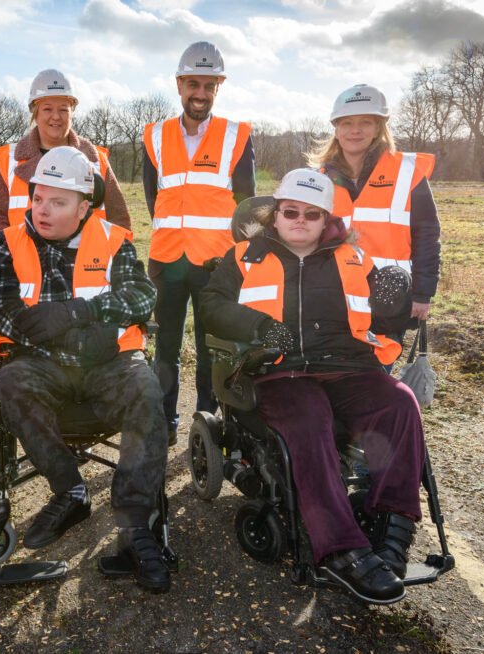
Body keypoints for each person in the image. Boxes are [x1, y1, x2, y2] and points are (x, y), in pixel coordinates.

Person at [199, 169, 424, 605]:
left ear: (326, 221)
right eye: (290, 212)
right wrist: (261, 326)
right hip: (280, 371)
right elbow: (211, 305)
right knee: (308, 413)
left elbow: (385, 319)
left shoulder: (355, 259)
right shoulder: (244, 256)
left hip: (347, 367)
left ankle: (391, 534)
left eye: (311, 214)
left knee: (400, 403)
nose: (299, 220)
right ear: (276, 215)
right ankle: (341, 549)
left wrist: (397, 308)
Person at [0, 146, 171, 592]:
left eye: (57, 202)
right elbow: (3, 310)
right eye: (38, 198)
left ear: (84, 207)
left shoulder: (114, 240)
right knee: (12, 380)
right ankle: (71, 492)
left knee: (147, 389)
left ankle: (135, 526)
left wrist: (76, 312)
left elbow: (143, 298)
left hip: (109, 364)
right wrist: (77, 331)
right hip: (40, 366)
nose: (42, 210)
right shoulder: (5, 245)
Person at [142, 41, 255, 446]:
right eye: (193, 83)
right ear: (179, 84)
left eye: (209, 85)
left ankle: (207, 421)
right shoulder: (154, 136)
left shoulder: (236, 136)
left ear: (218, 88)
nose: (201, 93)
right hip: (168, 260)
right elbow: (153, 197)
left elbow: (248, 206)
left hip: (216, 265)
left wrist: (237, 259)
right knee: (166, 345)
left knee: (213, 349)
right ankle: (166, 418)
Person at [311, 83, 440, 346]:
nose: (355, 130)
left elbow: (427, 235)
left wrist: (423, 294)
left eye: (365, 122)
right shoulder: (321, 179)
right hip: (336, 296)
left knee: (377, 374)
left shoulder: (406, 172)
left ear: (379, 127)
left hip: (389, 299)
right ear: (336, 129)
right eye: (346, 123)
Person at [0, 69, 131, 242]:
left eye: (63, 109)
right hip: (25, 265)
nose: (56, 116)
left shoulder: (95, 160)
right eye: (47, 109)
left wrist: (116, 260)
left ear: (72, 112)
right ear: (35, 113)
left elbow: (119, 219)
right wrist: (5, 257)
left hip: (86, 265)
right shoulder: (11, 160)